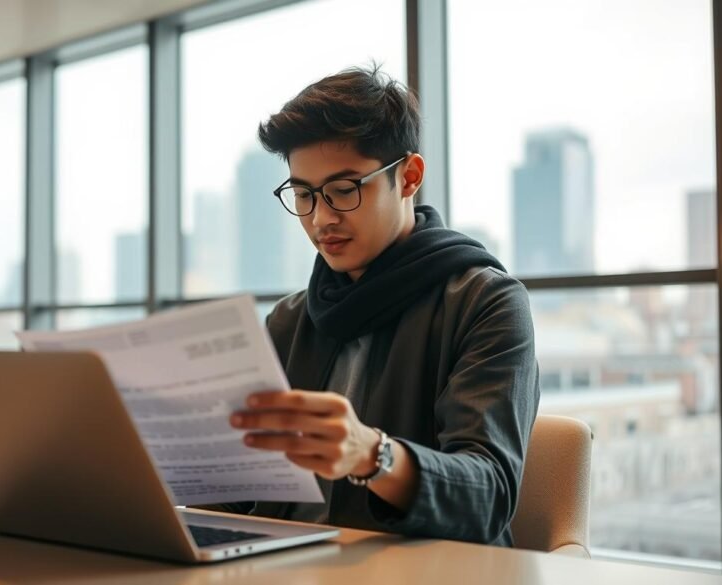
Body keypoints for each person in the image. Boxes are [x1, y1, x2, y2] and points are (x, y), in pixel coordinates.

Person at [223, 66, 540, 546]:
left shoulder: (486, 303)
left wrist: (372, 455)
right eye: (304, 195)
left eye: (344, 190)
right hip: (283, 565)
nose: (321, 218)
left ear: (408, 177)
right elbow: (243, 492)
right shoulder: (289, 320)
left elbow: (489, 495)